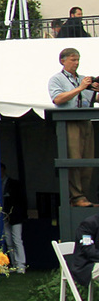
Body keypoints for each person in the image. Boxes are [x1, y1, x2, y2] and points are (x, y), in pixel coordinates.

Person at [49, 47, 96, 207]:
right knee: (74, 159)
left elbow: (91, 99)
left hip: (86, 121)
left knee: (88, 160)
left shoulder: (83, 79)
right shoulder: (56, 79)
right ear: (63, 61)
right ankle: (76, 197)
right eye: (73, 60)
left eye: (78, 60)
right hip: (69, 122)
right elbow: (58, 99)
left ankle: (84, 196)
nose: (76, 63)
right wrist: (80, 88)